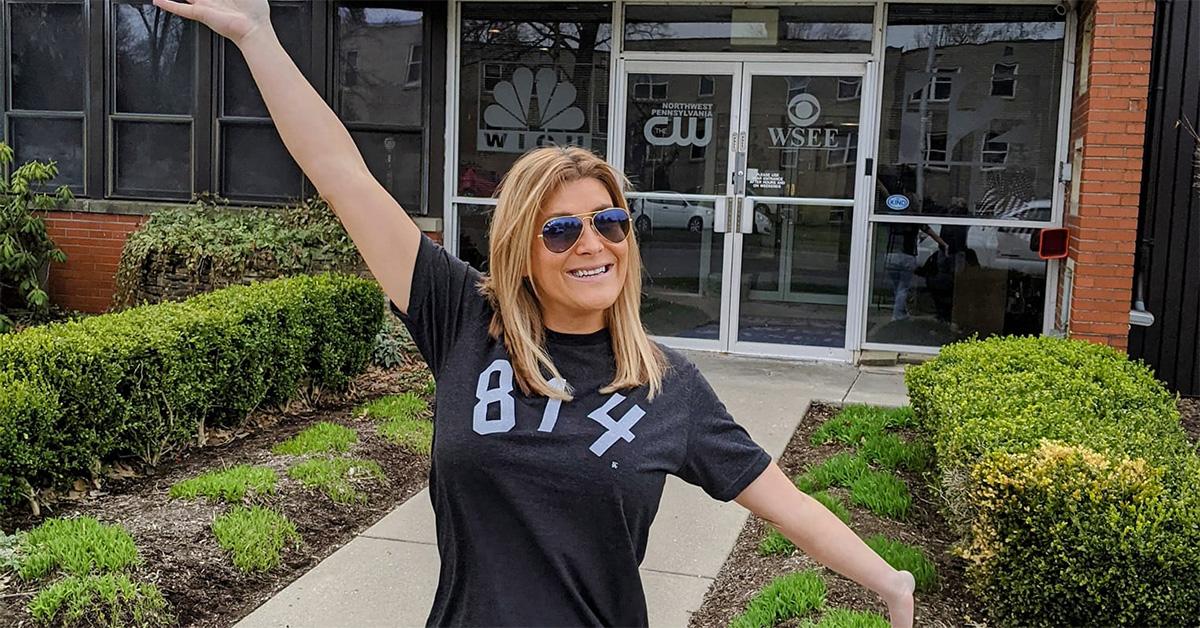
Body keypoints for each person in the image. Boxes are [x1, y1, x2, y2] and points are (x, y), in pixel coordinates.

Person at [151, 1, 917, 626]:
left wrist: (890, 579)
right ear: (522, 248)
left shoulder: (666, 386)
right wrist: (257, 35)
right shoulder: (462, 320)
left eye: (610, 223)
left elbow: (785, 505)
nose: (593, 244)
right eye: (562, 229)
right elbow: (341, 174)